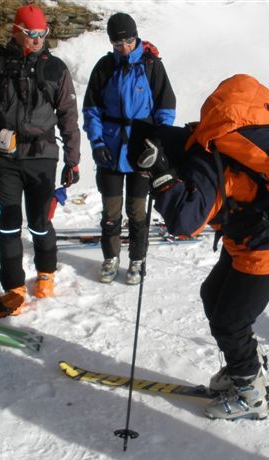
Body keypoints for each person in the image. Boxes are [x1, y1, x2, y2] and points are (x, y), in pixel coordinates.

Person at [128, 82, 269, 420]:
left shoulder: (203, 163)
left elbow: (185, 222)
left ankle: (251, 394)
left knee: (230, 321)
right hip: (254, 241)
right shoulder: (200, 143)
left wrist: (161, 179)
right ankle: (249, 367)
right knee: (213, 294)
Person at [0, 4, 80, 311]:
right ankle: (14, 287)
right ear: (16, 32)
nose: (38, 39)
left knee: (40, 222)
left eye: (43, 33)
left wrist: (72, 160)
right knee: (8, 224)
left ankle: (46, 273)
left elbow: (69, 116)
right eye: (32, 33)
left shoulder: (55, 68)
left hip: (42, 155)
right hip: (4, 157)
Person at [82, 12, 176, 285]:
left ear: (136, 38)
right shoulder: (104, 67)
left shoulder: (151, 66)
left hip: (141, 151)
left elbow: (166, 107)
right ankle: (111, 257)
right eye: (117, 43)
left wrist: (156, 142)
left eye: (128, 42)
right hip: (110, 150)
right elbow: (91, 109)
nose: (124, 47)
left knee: (137, 211)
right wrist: (97, 142)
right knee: (111, 212)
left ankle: (137, 259)